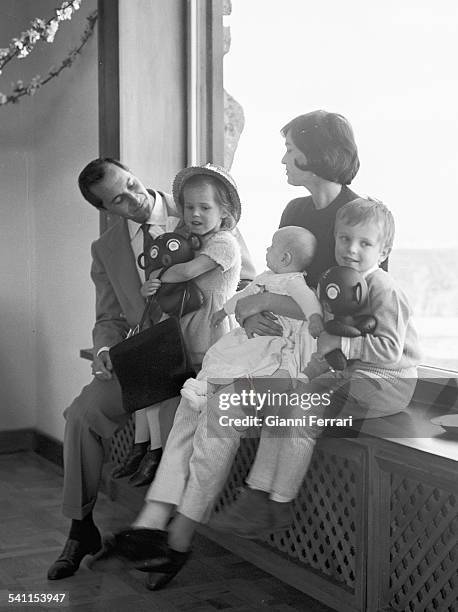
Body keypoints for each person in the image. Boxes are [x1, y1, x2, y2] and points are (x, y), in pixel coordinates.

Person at [47, 159, 255, 581]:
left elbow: (246, 280)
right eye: (118, 200)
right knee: (81, 416)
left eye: (132, 184)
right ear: (107, 209)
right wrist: (105, 348)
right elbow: (109, 317)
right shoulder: (105, 249)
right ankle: (80, 528)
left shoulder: (203, 209)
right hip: (149, 358)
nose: (133, 198)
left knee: (190, 430)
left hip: (206, 356)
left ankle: (166, 542)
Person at [210, 198, 422, 538]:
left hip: (387, 380)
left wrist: (341, 346)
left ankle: (279, 503)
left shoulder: (384, 289)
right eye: (344, 238)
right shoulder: (334, 281)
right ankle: (256, 494)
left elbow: (390, 350)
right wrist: (306, 374)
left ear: (383, 252)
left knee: (303, 410)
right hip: (347, 373)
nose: (351, 249)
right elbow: (325, 340)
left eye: (364, 243)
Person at [180, 225, 323, 410]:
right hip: (255, 333)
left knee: (244, 363)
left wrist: (315, 318)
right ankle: (204, 388)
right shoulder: (267, 277)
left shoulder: (293, 281)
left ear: (284, 258)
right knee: (224, 352)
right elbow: (246, 294)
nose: (267, 249)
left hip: (273, 336)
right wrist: (224, 311)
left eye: (272, 246)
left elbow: (308, 299)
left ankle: (209, 394)